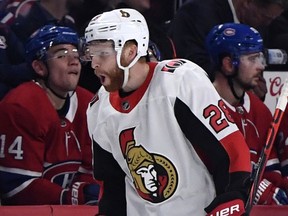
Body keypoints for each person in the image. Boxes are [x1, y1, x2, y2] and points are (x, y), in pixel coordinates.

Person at [83, 8, 251, 215]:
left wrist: (235, 195)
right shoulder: (99, 108)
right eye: (91, 53)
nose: (94, 63)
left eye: (102, 53)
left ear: (130, 52)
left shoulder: (180, 80)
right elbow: (112, 188)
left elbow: (230, 147)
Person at [0, 25, 100, 205]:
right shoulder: (20, 106)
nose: (74, 60)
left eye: (75, 53)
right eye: (62, 54)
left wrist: (85, 192)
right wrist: (73, 198)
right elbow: (17, 187)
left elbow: (90, 172)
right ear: (39, 67)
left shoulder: (89, 104)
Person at [205, 22, 288, 206]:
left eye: (260, 58)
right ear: (228, 64)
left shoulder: (259, 110)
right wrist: (263, 192)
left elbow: (272, 172)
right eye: (252, 59)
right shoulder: (204, 109)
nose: (260, 66)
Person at [169, 0, 288, 100]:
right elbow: (192, 63)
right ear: (247, 2)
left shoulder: (256, 25)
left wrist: (254, 87)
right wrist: (241, 82)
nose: (267, 23)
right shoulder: (197, 12)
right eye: (265, 17)